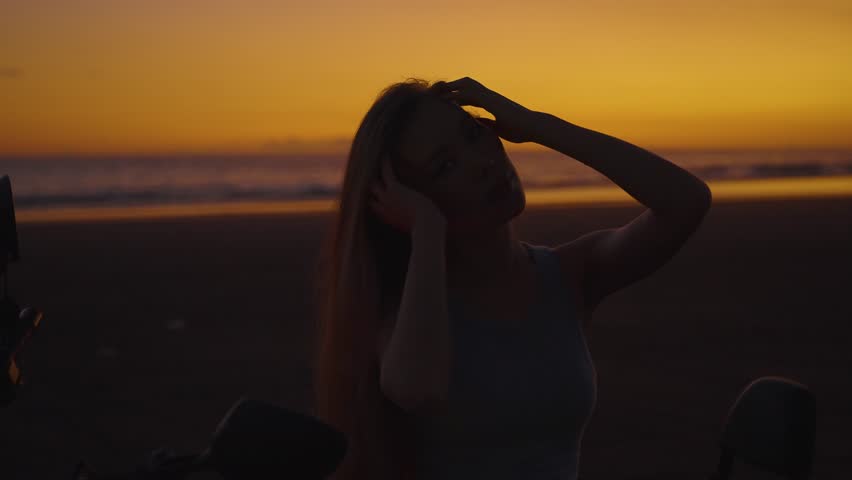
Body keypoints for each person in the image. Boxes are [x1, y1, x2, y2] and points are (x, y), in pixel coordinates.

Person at [312, 77, 712, 480]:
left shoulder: (567, 275)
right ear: (403, 201)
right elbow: (418, 388)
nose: (481, 162)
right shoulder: (402, 309)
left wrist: (536, 124)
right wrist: (427, 233)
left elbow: (685, 201)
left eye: (474, 134)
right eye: (444, 166)